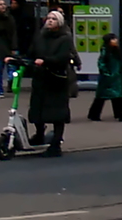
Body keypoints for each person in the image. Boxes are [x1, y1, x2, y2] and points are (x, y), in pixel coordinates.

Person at [8, 10, 73, 156]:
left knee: (57, 112)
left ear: (60, 22)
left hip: (56, 79)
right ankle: (39, 134)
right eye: (48, 18)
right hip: (41, 78)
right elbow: (31, 54)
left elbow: (62, 57)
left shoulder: (65, 39)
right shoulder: (40, 37)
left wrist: (46, 61)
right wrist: (16, 59)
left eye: (54, 19)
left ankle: (56, 143)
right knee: (38, 108)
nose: (50, 21)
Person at [89, 33, 122, 122]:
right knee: (108, 98)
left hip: (114, 78)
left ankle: (95, 114)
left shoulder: (115, 51)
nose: (116, 41)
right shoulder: (106, 51)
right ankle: (120, 115)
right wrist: (106, 73)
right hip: (108, 79)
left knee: (112, 97)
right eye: (113, 39)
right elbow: (101, 63)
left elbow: (120, 63)